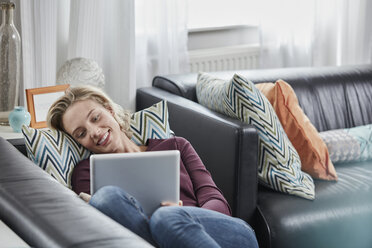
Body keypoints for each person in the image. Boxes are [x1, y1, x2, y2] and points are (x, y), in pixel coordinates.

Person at [47, 85, 259, 248]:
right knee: (105, 198)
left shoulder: (176, 145)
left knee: (166, 217)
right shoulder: (87, 172)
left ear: (110, 111)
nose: (93, 131)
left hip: (224, 234)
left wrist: (183, 213)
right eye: (81, 133)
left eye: (95, 117)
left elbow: (216, 202)